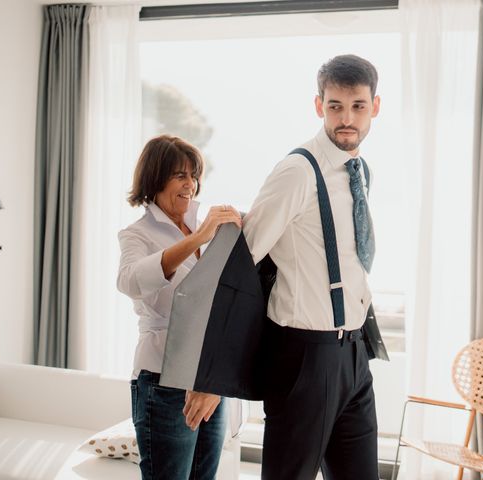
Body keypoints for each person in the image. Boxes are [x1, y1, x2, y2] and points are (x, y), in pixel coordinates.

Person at [243, 54, 381, 480]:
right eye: (335, 105)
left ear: (375, 106)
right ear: (319, 105)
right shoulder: (297, 172)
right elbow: (244, 259)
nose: (346, 118)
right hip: (304, 357)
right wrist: (214, 370)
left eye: (357, 106)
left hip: (355, 355)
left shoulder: (358, 171)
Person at [117, 134, 241, 480]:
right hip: (162, 382)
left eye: (194, 176)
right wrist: (198, 238)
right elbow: (129, 281)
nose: (191, 185)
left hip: (210, 381)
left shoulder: (209, 220)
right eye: (180, 176)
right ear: (155, 179)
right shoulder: (137, 234)